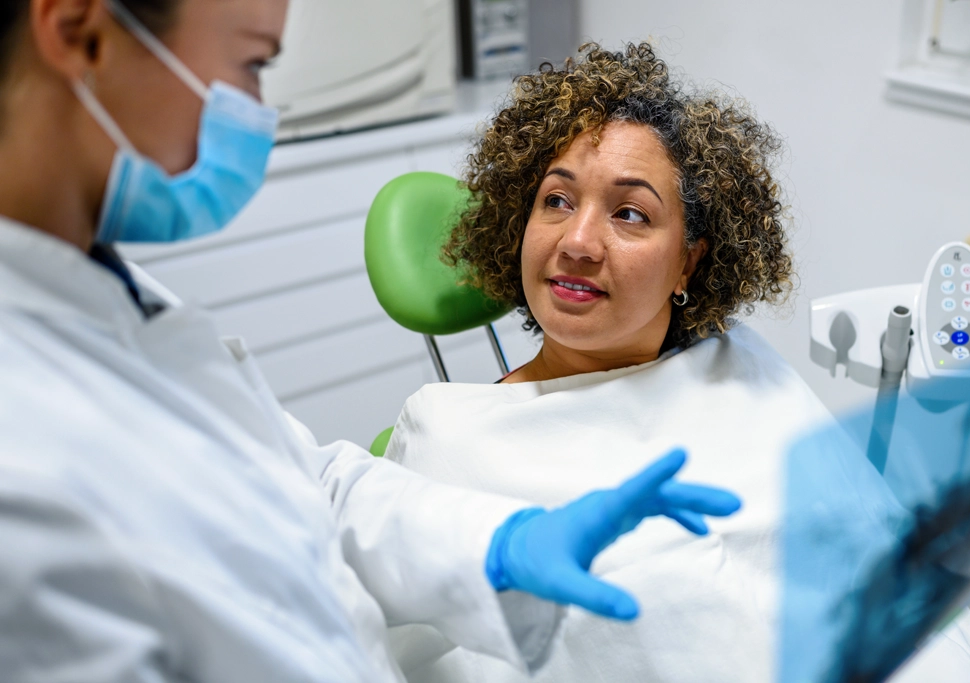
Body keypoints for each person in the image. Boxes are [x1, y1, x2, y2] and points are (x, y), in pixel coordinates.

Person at [0, 2, 745, 681]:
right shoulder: (24, 462)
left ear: (692, 259)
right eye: (252, 64)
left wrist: (503, 545)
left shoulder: (106, 291)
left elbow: (309, 484)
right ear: (78, 32)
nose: (259, 112)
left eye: (631, 214)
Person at [383, 44, 970, 682]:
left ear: (689, 261)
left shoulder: (739, 365)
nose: (578, 242)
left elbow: (877, 558)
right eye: (557, 201)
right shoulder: (449, 439)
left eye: (630, 214)